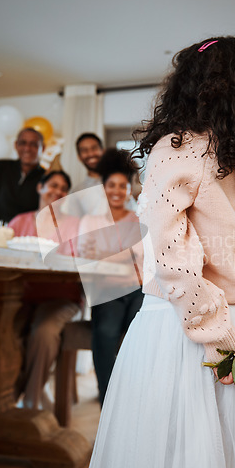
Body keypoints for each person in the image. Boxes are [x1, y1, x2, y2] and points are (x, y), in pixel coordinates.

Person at [84, 36, 235, 468]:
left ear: (187, 86)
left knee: (170, 464)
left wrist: (219, 336)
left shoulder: (177, 146)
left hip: (181, 334)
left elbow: (170, 254)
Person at [8, 170, 83, 409]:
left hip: (61, 297)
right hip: (20, 296)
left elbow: (79, 261)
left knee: (43, 332)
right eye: (53, 185)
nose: (57, 191)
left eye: (63, 188)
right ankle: (4, 396)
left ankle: (30, 400)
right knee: (3, 331)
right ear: (39, 187)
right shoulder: (18, 222)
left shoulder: (76, 225)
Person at [77, 149, 143, 405]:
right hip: (105, 291)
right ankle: (107, 397)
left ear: (129, 190)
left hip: (136, 291)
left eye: (122, 186)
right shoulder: (90, 222)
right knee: (105, 332)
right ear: (103, 188)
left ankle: (134, 397)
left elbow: (141, 260)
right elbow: (86, 258)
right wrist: (124, 256)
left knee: (140, 334)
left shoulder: (137, 220)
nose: (116, 190)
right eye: (111, 185)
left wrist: (105, 255)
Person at [0, 127, 46, 225]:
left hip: (28, 237)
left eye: (33, 144)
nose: (27, 148)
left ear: (43, 148)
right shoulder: (0, 167)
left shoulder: (47, 178)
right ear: (16, 145)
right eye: (23, 143)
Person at [66, 132, 139, 217]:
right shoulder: (77, 192)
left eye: (94, 148)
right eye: (84, 150)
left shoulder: (122, 179)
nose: (91, 154)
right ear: (79, 157)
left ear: (103, 151)